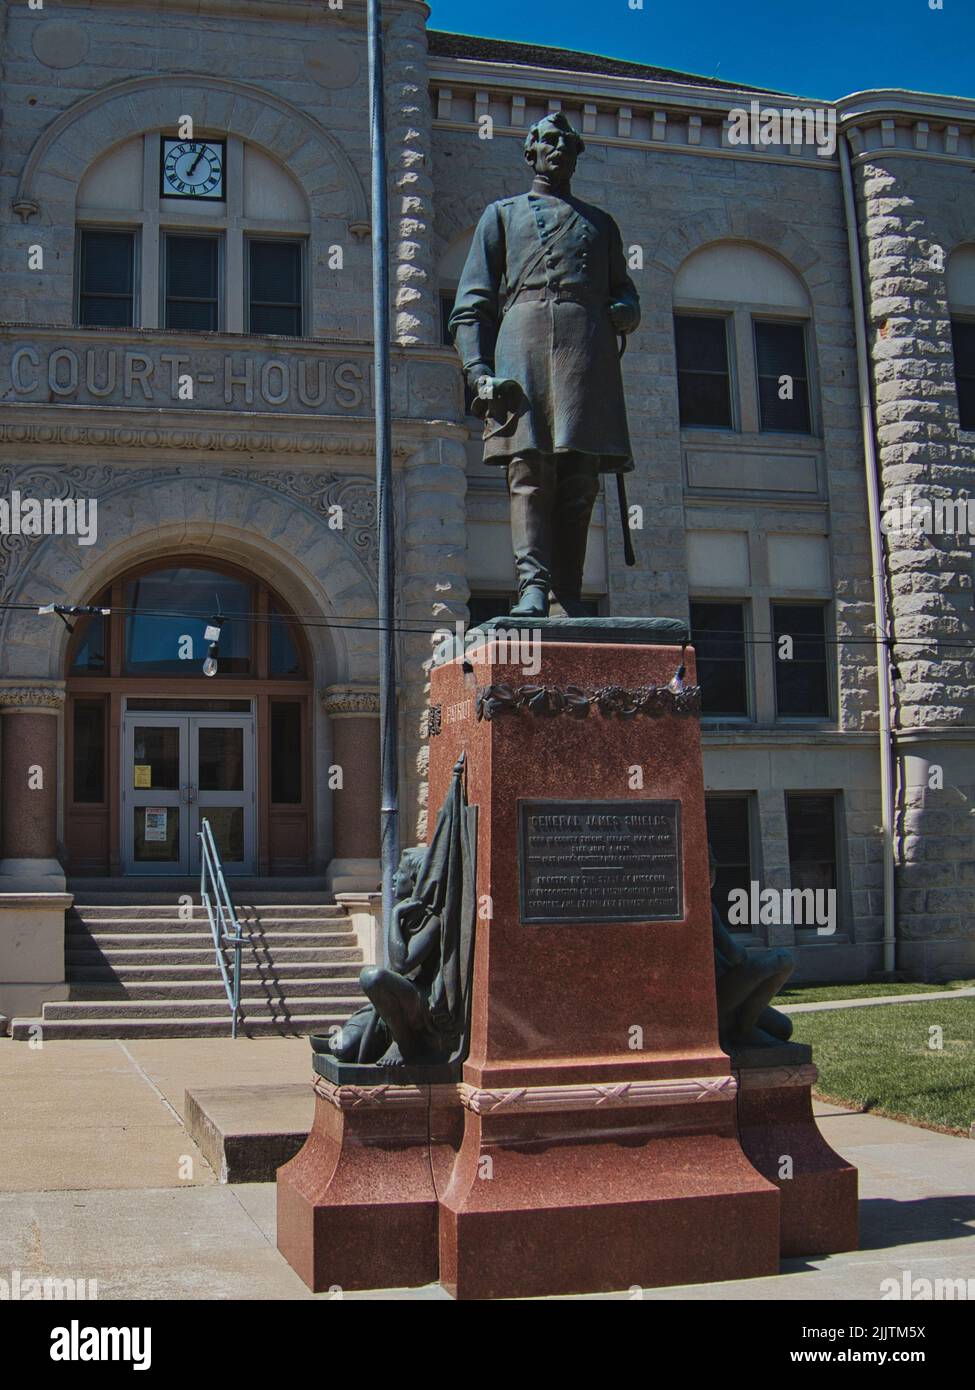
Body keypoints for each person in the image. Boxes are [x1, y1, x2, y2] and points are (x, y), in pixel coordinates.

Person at [449, 111, 640, 617]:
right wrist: (476, 369)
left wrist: (626, 311)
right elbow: (471, 305)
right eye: (548, 141)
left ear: (577, 154)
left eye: (567, 143)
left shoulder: (601, 224)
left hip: (587, 354)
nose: (557, 150)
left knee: (580, 478)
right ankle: (533, 586)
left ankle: (567, 594)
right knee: (529, 472)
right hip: (523, 346)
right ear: (530, 151)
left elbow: (625, 291)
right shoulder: (502, 216)